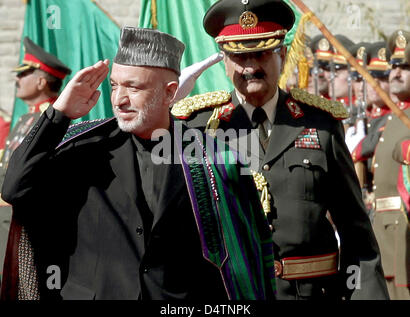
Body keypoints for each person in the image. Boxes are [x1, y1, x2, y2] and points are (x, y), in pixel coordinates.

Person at [0, 27, 275, 300]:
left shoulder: (214, 159)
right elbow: (14, 188)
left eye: (133, 87)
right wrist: (58, 113)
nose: (119, 99)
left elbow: (248, 258)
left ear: (169, 93)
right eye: (114, 85)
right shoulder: (83, 146)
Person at [173, 0, 389, 300]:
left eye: (260, 53)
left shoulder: (321, 125)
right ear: (224, 61)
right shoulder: (200, 127)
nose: (250, 67)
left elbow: (357, 236)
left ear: (282, 54)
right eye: (238, 56)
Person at [0, 37, 71, 286]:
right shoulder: (24, 121)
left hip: (28, 230)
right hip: (7, 224)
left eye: (24, 74)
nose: (16, 80)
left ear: (42, 81)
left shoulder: (53, 123)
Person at [371, 30, 410, 300]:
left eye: (405, 67)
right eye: (394, 66)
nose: (395, 73)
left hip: (404, 234)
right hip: (385, 232)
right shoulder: (397, 116)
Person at [351, 41, 392, 215]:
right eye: (371, 76)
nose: (375, 84)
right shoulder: (369, 118)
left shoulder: (393, 119)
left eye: (383, 78)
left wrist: (356, 149)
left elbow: (369, 146)